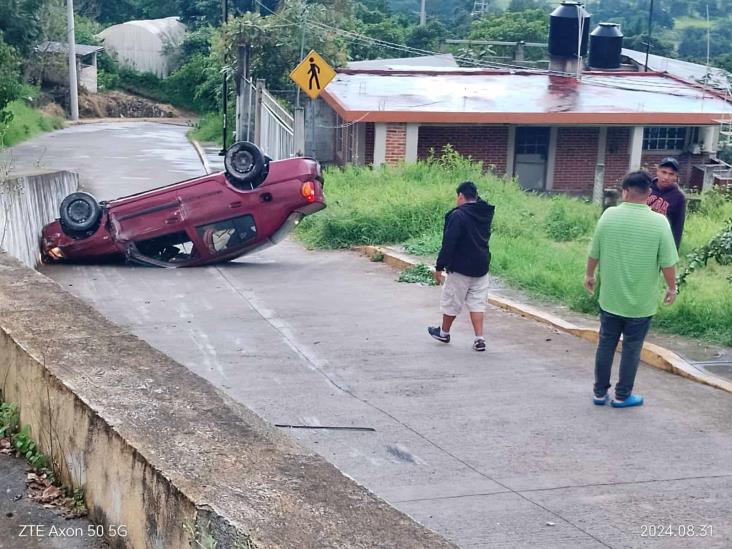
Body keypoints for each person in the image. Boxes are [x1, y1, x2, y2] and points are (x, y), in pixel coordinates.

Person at [585, 170, 679, 408]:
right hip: (641, 303)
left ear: (624, 191)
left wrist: (589, 275)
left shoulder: (609, 216)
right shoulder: (659, 222)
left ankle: (599, 393)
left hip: (610, 298)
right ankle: (622, 395)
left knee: (606, 344)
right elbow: (668, 263)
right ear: (649, 193)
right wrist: (671, 288)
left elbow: (594, 252)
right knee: (631, 349)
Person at [428, 181, 495, 352]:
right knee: (477, 303)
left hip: (461, 267)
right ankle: (479, 339)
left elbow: (449, 243)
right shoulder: (485, 213)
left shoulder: (458, 216)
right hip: (481, 266)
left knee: (452, 301)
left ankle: (444, 333)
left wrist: (439, 266)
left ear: (460, 196)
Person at [647, 157, 686, 249]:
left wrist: (674, 249)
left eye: (671, 174)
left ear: (676, 177)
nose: (666, 177)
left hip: (661, 241)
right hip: (641, 235)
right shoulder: (646, 187)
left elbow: (677, 226)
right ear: (657, 171)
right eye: (664, 172)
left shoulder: (679, 197)